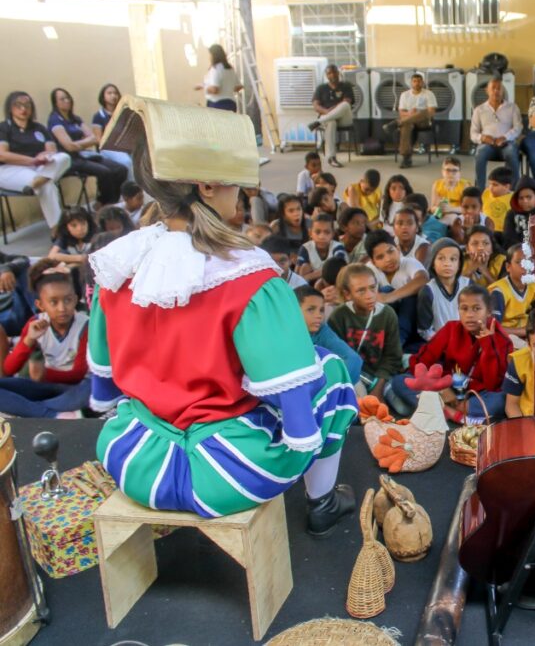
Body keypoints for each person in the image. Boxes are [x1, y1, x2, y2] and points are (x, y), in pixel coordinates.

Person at [88, 97, 357, 533]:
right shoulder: (250, 277)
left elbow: (103, 386)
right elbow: (291, 388)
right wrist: (297, 440)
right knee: (332, 372)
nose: (244, 191)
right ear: (208, 186)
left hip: (133, 460)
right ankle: (322, 502)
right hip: (222, 475)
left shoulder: (118, 264)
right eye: (236, 182)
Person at [385, 284, 513, 422]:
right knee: (400, 381)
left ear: (488, 312)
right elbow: (421, 362)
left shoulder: (501, 339)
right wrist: (441, 388)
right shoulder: (451, 329)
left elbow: (494, 384)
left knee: (501, 400)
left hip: (477, 395)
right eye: (464, 309)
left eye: (477, 309)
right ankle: (454, 415)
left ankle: (442, 411)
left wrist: (488, 345)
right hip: (447, 387)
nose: (469, 315)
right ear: (458, 310)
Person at [0, 263, 89, 419]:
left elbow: (79, 373)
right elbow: (8, 369)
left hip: (73, 387)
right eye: (54, 302)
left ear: (75, 299)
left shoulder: (85, 325)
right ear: (40, 305)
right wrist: (28, 341)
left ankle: (33, 410)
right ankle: (54, 413)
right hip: (42, 387)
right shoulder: (35, 323)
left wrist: (44, 374)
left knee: (90, 389)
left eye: (68, 300)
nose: (62, 308)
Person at [328, 264, 404, 399]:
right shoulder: (339, 316)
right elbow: (336, 357)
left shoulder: (387, 314)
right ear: (347, 294)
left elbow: (392, 356)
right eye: (361, 291)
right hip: (354, 377)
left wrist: (378, 388)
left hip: (382, 377)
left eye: (373, 287)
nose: (370, 295)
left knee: (402, 408)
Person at [0, 91, 70, 229]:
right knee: (48, 185)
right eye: (18, 105)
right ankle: (57, 230)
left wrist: (45, 156)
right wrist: (32, 160)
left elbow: (52, 151)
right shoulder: (3, 127)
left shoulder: (39, 128)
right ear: (10, 107)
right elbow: (2, 155)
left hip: (39, 169)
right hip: (9, 169)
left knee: (64, 157)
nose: (23, 109)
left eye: (27, 105)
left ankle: (38, 181)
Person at [48, 88, 127, 206]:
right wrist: (83, 143)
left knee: (121, 169)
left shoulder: (75, 119)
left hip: (84, 155)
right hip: (70, 160)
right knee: (105, 172)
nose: (67, 100)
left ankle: (113, 203)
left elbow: (94, 138)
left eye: (68, 97)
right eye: (62, 99)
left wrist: (78, 144)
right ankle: (104, 204)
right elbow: (68, 146)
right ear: (55, 103)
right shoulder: (54, 120)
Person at [364, 229, 428, 349]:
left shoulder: (409, 263)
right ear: (373, 262)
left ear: (398, 249)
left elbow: (423, 279)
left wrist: (389, 297)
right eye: (380, 257)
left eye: (391, 251)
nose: (388, 259)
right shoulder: (370, 270)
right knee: (384, 290)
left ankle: (396, 344)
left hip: (413, 322)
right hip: (386, 325)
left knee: (410, 297)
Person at [294, 285, 363, 386]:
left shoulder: (322, 331)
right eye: (311, 309)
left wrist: (334, 390)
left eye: (321, 310)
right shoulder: (279, 333)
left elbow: (354, 359)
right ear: (293, 310)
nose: (319, 315)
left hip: (330, 387)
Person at [470, 76, 523, 188]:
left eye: (499, 88)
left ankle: (513, 189)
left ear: (503, 90)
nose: (496, 91)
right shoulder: (479, 110)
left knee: (511, 153)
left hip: (507, 143)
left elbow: (518, 127)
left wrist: (505, 137)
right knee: (479, 154)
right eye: (493, 88)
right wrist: (483, 138)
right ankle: (479, 190)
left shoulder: (512, 107)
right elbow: (473, 133)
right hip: (487, 144)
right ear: (487, 91)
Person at [416, 238, 470, 342]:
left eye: (453, 259)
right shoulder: (427, 291)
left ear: (459, 264)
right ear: (432, 263)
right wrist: (444, 343)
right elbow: (424, 330)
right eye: (441, 258)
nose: (447, 264)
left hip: (468, 340)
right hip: (440, 343)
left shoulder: (468, 286)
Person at [383, 73, 437, 169]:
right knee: (406, 125)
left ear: (423, 82)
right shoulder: (405, 95)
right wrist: (410, 114)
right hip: (408, 120)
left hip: (423, 121)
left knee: (424, 111)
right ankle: (406, 158)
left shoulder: (429, 94)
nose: (417, 83)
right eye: (415, 81)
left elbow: (431, 112)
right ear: (411, 83)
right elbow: (401, 112)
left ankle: (396, 123)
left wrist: (418, 113)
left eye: (419, 81)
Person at [308, 64, 355, 168]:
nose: (332, 75)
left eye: (334, 72)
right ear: (326, 75)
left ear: (338, 73)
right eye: (329, 73)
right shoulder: (321, 88)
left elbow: (347, 101)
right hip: (327, 117)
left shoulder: (346, 86)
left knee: (345, 105)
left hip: (343, 118)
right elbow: (316, 105)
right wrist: (327, 111)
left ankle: (318, 122)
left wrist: (330, 111)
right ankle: (331, 158)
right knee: (331, 122)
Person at [488, 243, 535, 340]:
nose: (524, 266)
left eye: (529, 261)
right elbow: (492, 327)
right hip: (503, 337)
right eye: (519, 262)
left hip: (525, 334)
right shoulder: (499, 291)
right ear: (508, 267)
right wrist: (525, 331)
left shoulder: (534, 286)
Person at [91, 83, 134, 180]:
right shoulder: (98, 116)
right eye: (109, 93)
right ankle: (130, 192)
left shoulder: (124, 113)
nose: (113, 96)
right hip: (108, 148)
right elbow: (99, 140)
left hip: (125, 146)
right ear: (103, 96)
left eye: (115, 93)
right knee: (127, 162)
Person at [298, 213, 348, 284]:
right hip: (312, 284)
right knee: (304, 267)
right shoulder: (305, 248)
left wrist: (308, 276)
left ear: (332, 234)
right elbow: (298, 273)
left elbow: (336, 270)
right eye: (317, 232)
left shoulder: (338, 247)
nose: (322, 236)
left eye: (327, 232)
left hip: (336, 282)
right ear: (310, 233)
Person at [502, 178, 535, 248]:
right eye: (521, 198)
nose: (525, 201)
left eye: (528, 197)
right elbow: (508, 239)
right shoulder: (511, 214)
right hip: (519, 253)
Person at [196, 44, 242, 111]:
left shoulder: (215, 69)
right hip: (231, 103)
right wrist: (227, 88)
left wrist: (204, 87)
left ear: (213, 55)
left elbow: (215, 90)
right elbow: (238, 87)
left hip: (217, 104)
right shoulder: (230, 68)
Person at [430, 157, 469, 222]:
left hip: (458, 214)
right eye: (448, 170)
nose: (451, 174)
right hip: (441, 213)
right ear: (442, 172)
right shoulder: (437, 184)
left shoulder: (465, 186)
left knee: (451, 217)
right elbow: (432, 207)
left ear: (459, 173)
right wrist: (439, 209)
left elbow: (468, 209)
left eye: (454, 171)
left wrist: (450, 209)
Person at [482, 166, 514, 236]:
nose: (490, 187)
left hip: (503, 233)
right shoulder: (486, 193)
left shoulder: (513, 199)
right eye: (490, 184)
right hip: (485, 230)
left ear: (507, 187)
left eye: (495, 185)